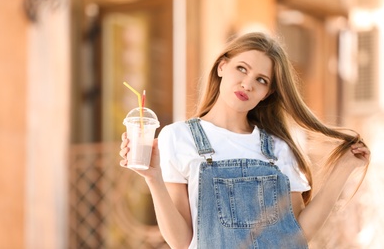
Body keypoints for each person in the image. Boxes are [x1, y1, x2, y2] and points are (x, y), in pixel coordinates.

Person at [119, 32, 370, 249]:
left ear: (267, 93)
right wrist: (153, 178)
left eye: (261, 80)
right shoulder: (179, 137)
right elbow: (182, 242)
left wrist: (344, 168)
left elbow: (297, 236)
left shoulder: (279, 147)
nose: (247, 83)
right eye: (242, 68)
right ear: (221, 67)